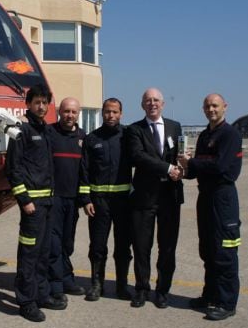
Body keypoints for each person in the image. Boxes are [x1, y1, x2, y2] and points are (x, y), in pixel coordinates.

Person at [5, 84, 67, 323]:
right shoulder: (20, 130)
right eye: (37, 102)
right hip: (33, 205)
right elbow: (13, 169)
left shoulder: (46, 130)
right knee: (29, 254)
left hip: (48, 202)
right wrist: (24, 200)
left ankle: (41, 295)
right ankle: (26, 301)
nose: (41, 106)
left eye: (45, 102)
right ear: (28, 104)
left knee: (43, 252)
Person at [179, 93, 243, 321]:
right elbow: (199, 169)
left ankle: (226, 303)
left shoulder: (230, 134)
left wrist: (193, 163)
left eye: (215, 105)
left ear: (225, 107)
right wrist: (184, 170)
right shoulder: (205, 135)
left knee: (225, 252)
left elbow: (220, 166)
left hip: (223, 199)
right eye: (207, 106)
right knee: (208, 250)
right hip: (205, 196)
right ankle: (210, 296)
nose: (211, 109)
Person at [125, 88, 184, 309]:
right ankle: (141, 288)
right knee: (141, 246)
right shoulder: (134, 130)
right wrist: (168, 168)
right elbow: (138, 157)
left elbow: (179, 152)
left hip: (170, 196)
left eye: (156, 100)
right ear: (142, 105)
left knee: (168, 247)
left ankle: (162, 290)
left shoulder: (174, 126)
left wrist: (182, 166)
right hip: (144, 197)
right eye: (148, 101)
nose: (152, 104)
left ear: (163, 104)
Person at [79, 98, 134, 301]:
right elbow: (84, 171)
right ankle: (96, 285)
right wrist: (86, 200)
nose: (111, 115)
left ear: (121, 114)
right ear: (102, 113)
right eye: (107, 112)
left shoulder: (128, 136)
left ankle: (122, 286)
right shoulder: (92, 139)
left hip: (123, 202)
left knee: (123, 247)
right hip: (99, 202)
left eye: (115, 112)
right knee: (97, 246)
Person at [47, 97, 87, 299]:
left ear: (78, 114)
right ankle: (56, 284)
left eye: (73, 112)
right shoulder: (49, 133)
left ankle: (66, 278)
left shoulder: (82, 137)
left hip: (73, 200)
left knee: (67, 242)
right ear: (59, 112)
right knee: (54, 244)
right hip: (54, 199)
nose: (69, 115)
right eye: (66, 111)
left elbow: (85, 170)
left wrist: (85, 198)